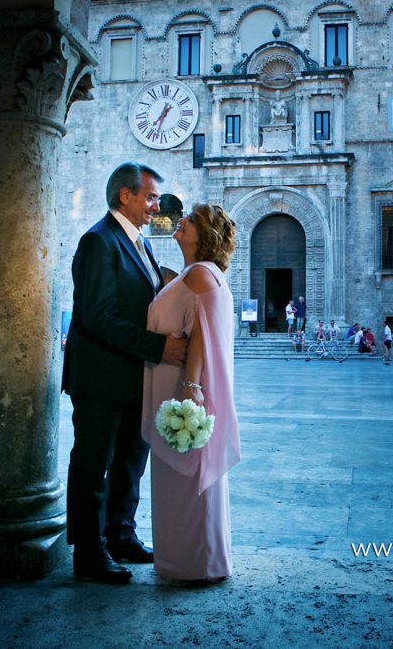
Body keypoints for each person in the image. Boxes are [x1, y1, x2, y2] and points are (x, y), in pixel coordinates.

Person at [62, 162, 187, 584]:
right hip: (100, 379)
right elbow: (98, 317)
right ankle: (88, 554)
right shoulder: (99, 241)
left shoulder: (138, 242)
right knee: (94, 465)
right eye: (150, 197)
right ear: (125, 196)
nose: (156, 205)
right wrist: (160, 348)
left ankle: (120, 535)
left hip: (134, 377)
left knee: (130, 463)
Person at [143, 203, 240, 582]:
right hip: (175, 383)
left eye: (191, 220)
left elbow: (200, 331)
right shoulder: (192, 272)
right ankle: (188, 559)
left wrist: (190, 386)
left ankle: (193, 563)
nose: (180, 220)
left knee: (186, 476)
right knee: (178, 478)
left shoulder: (200, 273)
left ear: (206, 235)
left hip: (182, 386)